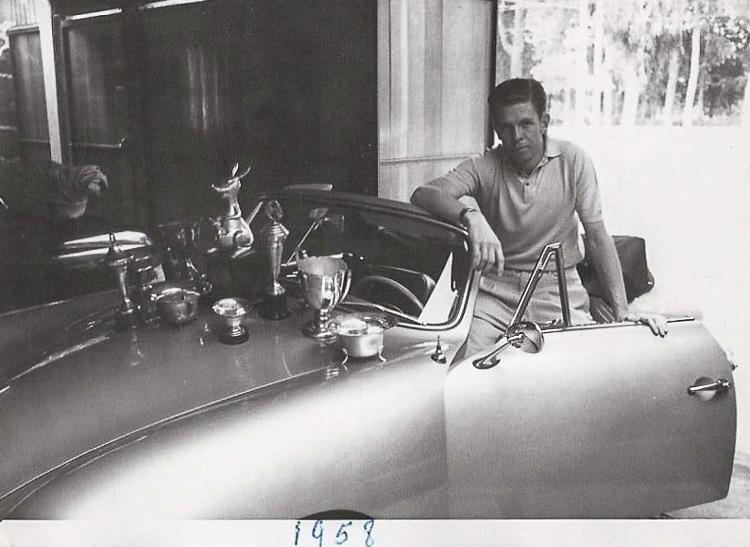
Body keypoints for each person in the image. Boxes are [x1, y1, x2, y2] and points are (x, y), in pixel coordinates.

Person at [410, 78, 667, 355]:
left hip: (557, 287)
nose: (517, 136)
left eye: (526, 124)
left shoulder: (574, 160)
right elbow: (424, 193)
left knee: (582, 366)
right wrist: (471, 216)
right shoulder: (483, 165)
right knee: (463, 366)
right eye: (506, 128)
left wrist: (622, 311)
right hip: (495, 288)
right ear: (496, 130)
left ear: (544, 122)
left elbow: (596, 237)